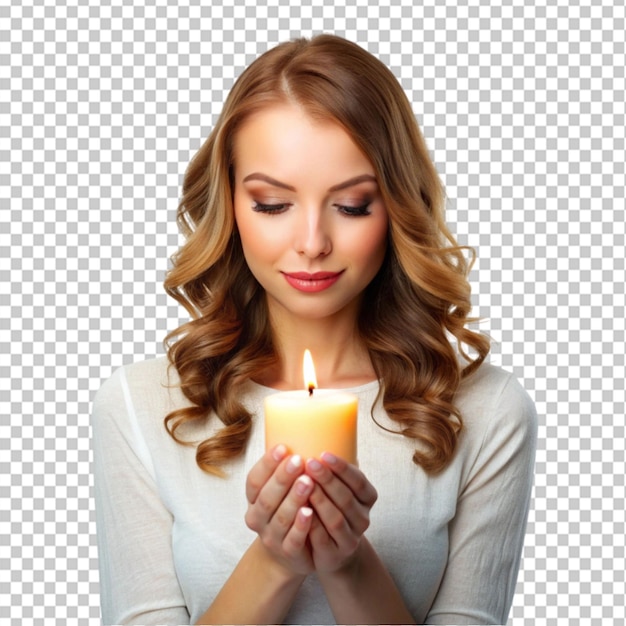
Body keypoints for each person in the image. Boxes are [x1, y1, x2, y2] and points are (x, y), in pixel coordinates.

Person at [91, 34, 537, 625]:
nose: (311, 244)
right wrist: (275, 562)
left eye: (351, 205)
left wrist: (349, 565)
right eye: (272, 204)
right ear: (228, 204)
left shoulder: (484, 411)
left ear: (399, 207)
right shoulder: (143, 407)